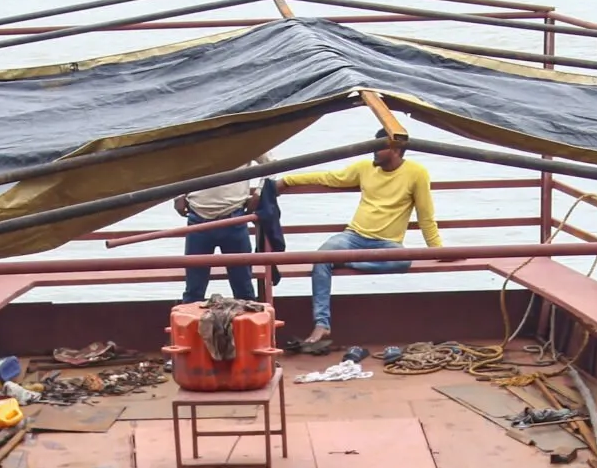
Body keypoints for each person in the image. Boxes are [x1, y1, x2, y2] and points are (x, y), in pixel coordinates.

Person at [278, 136, 441, 343]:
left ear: (395, 149)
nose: (373, 151)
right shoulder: (365, 168)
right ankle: (322, 324)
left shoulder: (417, 173)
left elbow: (426, 217)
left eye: (378, 147)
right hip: (353, 237)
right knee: (320, 259)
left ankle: (349, 260)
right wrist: (286, 181)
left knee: (403, 261)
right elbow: (329, 177)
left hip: (387, 244)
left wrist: (438, 250)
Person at [176, 166, 258, 303]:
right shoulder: (188, 144)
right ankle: (189, 323)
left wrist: (259, 193)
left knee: (243, 288)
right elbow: (175, 165)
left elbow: (271, 164)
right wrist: (178, 193)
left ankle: (249, 323)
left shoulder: (247, 143)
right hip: (198, 218)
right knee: (194, 289)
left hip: (234, 219)